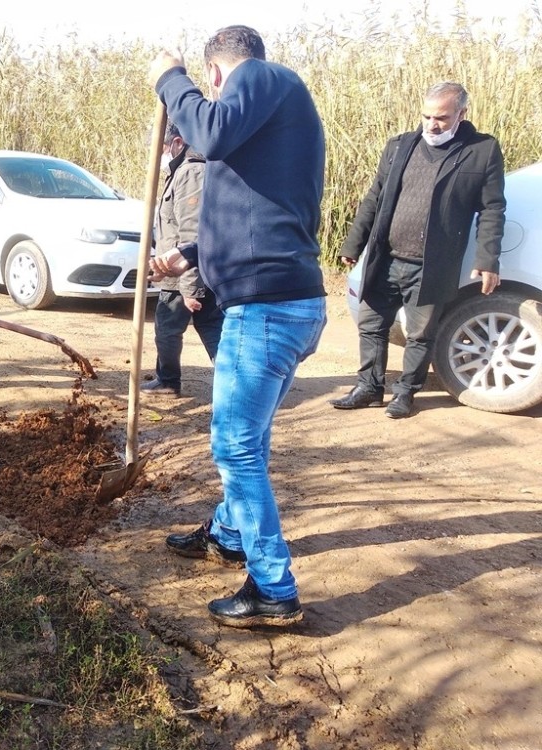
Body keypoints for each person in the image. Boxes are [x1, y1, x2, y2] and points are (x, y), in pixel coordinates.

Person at [147, 25, 327, 628]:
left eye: (209, 83)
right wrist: (190, 256)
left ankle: (273, 588)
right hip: (281, 303)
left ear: (218, 73)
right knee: (250, 437)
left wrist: (171, 79)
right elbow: (254, 213)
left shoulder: (261, 77)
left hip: (266, 309)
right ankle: (228, 534)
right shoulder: (266, 127)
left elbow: (209, 128)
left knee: (235, 446)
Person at [330, 82, 506, 419]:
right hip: (386, 258)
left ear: (461, 114)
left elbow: (492, 209)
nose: (432, 124)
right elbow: (375, 197)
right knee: (371, 324)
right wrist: (355, 243)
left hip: (432, 264)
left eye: (441, 117)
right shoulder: (400, 146)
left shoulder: (481, 151)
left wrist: (487, 258)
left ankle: (406, 393)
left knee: (420, 333)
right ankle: (368, 387)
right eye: (426, 116)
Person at [142, 120, 223, 397]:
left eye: (163, 147)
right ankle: (168, 379)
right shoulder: (181, 170)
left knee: (182, 329)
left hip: (187, 273)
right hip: (178, 270)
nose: (161, 155)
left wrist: (191, 289)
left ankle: (170, 381)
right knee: (206, 328)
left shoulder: (190, 173)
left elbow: (191, 234)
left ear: (177, 143)